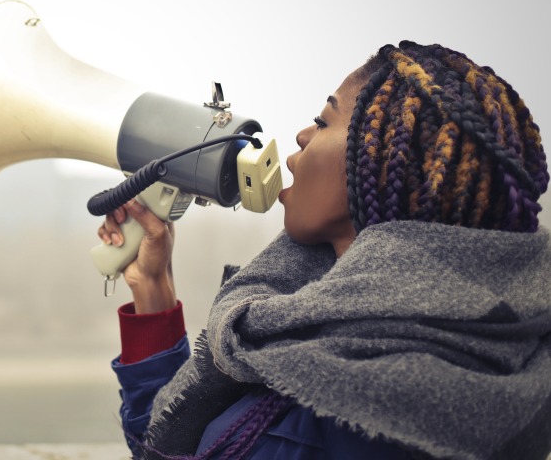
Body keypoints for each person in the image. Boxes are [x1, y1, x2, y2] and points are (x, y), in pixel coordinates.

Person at [98, 41, 551, 460]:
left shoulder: (350, 405)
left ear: (381, 160)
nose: (300, 136)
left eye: (323, 121)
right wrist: (152, 285)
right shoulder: (401, 348)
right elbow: (174, 445)